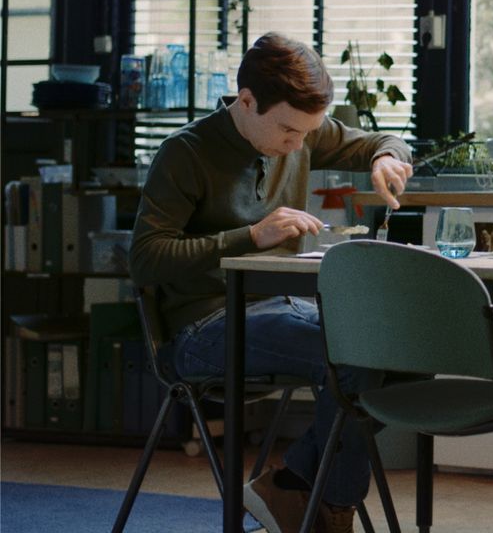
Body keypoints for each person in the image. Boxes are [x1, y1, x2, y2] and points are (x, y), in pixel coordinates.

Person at [129, 33, 414, 533]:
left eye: (309, 132)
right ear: (247, 101)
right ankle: (331, 512)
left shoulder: (298, 130)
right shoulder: (185, 154)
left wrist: (385, 156)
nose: (299, 144)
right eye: (288, 131)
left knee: (410, 349)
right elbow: (146, 260)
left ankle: (290, 483)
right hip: (199, 330)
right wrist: (250, 236)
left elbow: (380, 140)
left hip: (281, 310)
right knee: (351, 353)